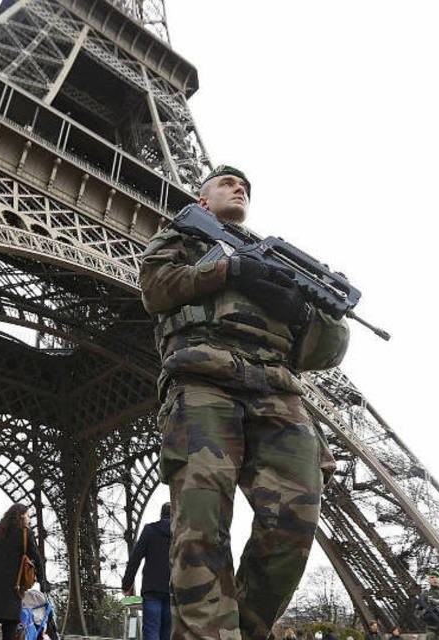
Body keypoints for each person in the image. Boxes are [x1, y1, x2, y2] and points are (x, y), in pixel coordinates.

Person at [139, 164, 349, 640]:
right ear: (202, 200)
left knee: (295, 525)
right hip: (203, 379)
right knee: (202, 523)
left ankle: (241, 631)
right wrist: (229, 269)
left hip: (278, 391)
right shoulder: (187, 238)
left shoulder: (282, 267)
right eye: (227, 182)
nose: (239, 187)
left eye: (246, 187)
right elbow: (155, 290)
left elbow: (327, 352)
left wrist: (304, 308)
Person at [0, 504, 49, 640]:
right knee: (10, 627)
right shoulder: (24, 533)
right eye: (28, 515)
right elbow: (36, 557)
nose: (29, 519)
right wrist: (42, 580)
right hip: (12, 586)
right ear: (22, 515)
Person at [121, 503, 173, 640]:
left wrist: (126, 585)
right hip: (173, 590)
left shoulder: (150, 530)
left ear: (161, 514)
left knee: (151, 633)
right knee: (168, 635)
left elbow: (135, 559)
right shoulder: (181, 534)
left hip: (152, 589)